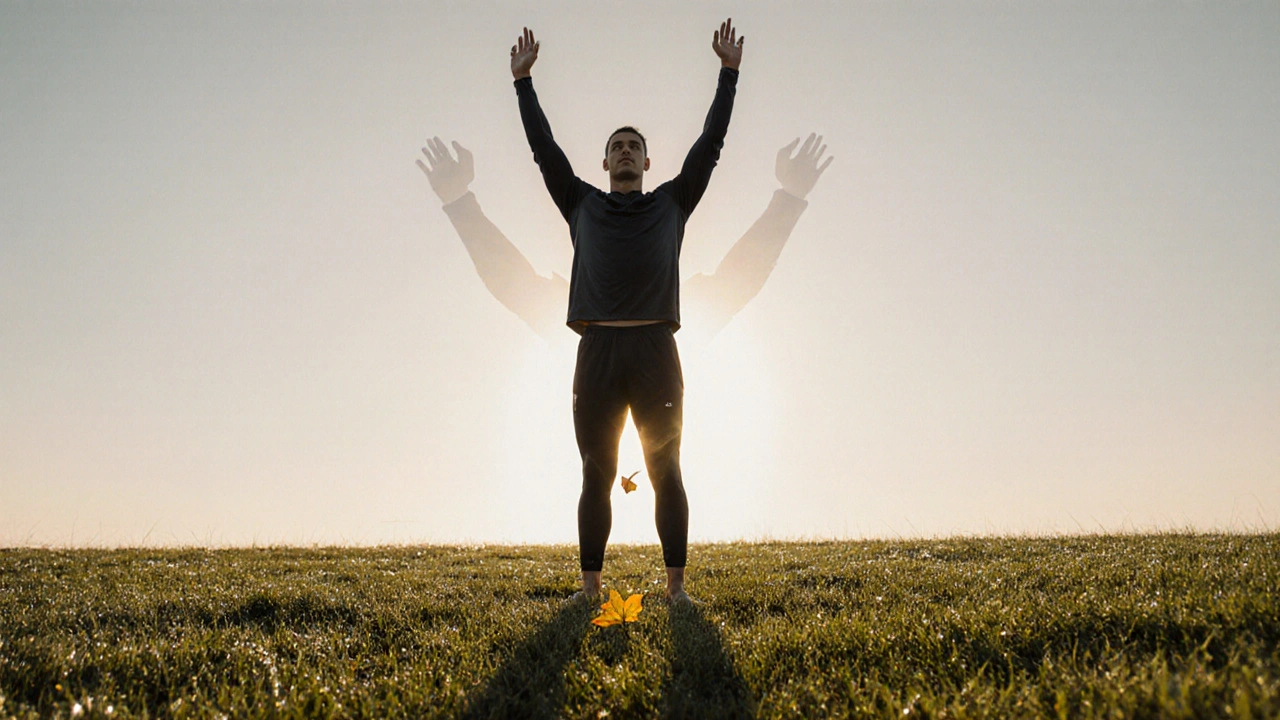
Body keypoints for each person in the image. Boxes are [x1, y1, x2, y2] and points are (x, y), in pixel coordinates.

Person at [510, 19, 744, 603]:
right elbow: (545, 153)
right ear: (606, 159)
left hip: (655, 351)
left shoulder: (672, 202)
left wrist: (729, 74)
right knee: (597, 471)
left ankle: (675, 588)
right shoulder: (580, 203)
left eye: (634, 146)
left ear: (646, 160)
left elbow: (709, 148)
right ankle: (591, 589)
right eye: (616, 146)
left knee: (665, 472)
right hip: (597, 352)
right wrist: (523, 85)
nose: (625, 152)